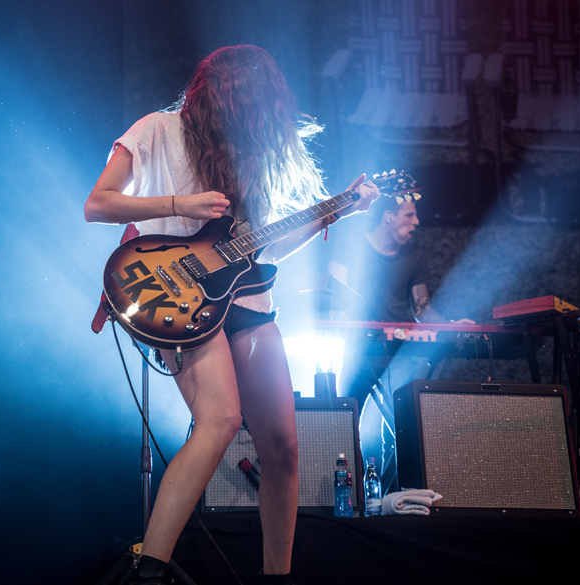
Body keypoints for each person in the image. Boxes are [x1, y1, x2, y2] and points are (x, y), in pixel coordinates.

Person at [85, 46, 378, 585]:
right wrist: (178, 204)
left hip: (247, 304)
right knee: (219, 421)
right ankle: (149, 573)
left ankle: (276, 576)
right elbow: (98, 204)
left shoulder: (248, 157)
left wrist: (338, 210)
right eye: (239, 105)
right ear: (214, 96)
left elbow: (255, 254)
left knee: (284, 447)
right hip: (177, 299)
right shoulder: (156, 130)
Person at [325, 196, 473, 490]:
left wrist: (450, 326)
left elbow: (422, 310)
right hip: (358, 350)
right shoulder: (352, 249)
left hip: (399, 351)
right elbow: (332, 297)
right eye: (409, 215)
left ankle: (394, 494)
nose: (416, 222)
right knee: (343, 415)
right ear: (388, 216)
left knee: (399, 425)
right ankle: (345, 492)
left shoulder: (415, 256)